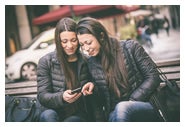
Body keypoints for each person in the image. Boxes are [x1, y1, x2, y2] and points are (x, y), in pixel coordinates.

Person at [76, 17, 162, 122]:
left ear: (101, 36)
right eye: (82, 45)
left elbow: (153, 77)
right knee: (118, 112)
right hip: (115, 113)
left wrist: (132, 101)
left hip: (145, 104)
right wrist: (93, 89)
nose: (86, 48)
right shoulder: (91, 62)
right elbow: (100, 103)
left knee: (122, 108)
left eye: (88, 43)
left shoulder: (130, 48)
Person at [37, 17, 94, 122]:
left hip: (77, 113)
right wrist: (61, 97)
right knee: (49, 116)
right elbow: (43, 96)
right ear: (58, 41)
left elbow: (97, 92)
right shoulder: (46, 61)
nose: (70, 46)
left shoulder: (86, 60)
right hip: (52, 110)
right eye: (64, 41)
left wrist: (91, 87)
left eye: (73, 40)